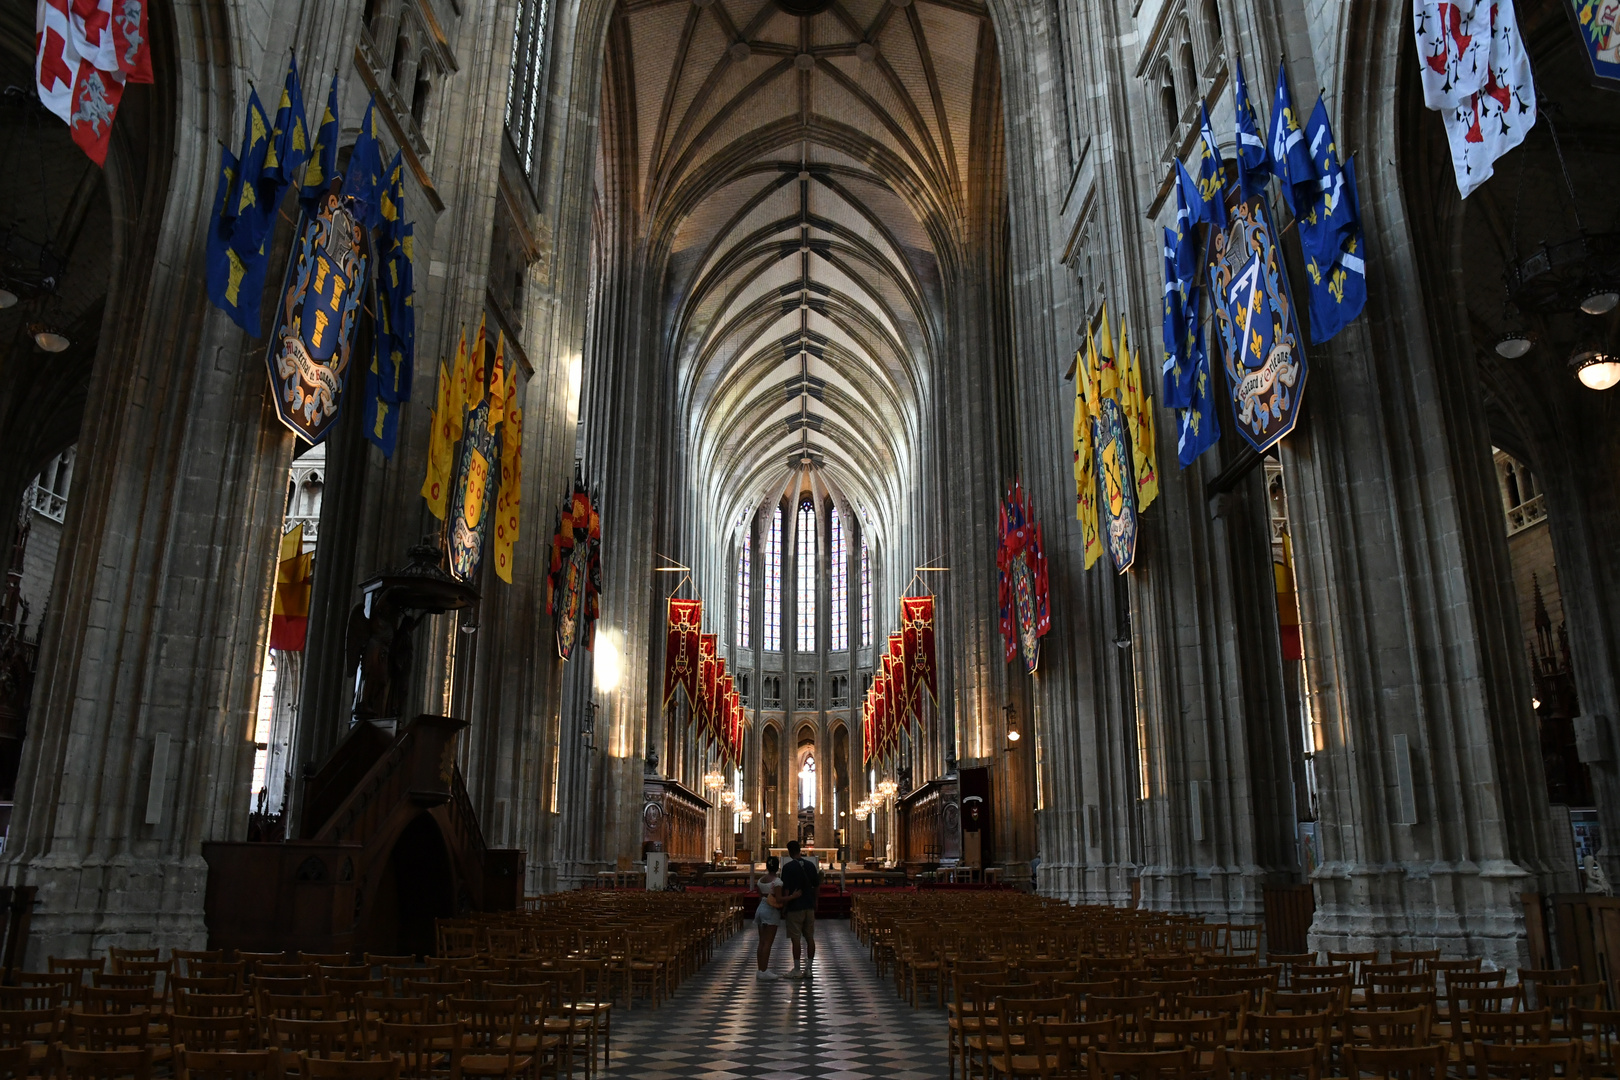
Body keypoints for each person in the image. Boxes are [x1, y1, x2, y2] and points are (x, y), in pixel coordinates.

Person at [779, 839, 820, 979]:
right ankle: (809, 969)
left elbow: (786, 890)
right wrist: (816, 901)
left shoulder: (788, 867)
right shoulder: (810, 865)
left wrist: (784, 907)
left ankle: (797, 969)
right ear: (800, 850)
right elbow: (817, 885)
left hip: (795, 907)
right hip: (809, 905)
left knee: (795, 939)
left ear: (789, 852)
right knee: (810, 938)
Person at [754, 856, 786, 979]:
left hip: (760, 909)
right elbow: (778, 899)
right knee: (768, 942)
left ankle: (760, 970)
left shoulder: (761, 880)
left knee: (761, 942)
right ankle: (764, 970)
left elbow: (759, 896)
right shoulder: (777, 882)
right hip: (770, 911)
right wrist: (793, 896)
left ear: (767, 866)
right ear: (778, 867)